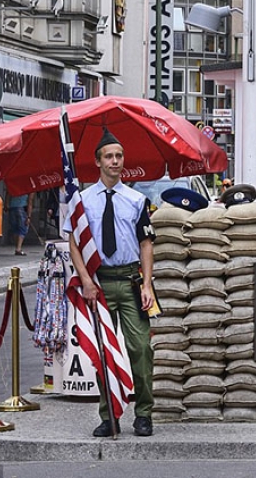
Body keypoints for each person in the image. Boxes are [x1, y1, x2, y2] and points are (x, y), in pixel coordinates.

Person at [64, 128, 157, 438]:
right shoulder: (82, 201)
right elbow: (75, 243)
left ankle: (143, 413)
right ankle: (110, 416)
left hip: (131, 282)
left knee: (140, 349)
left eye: (119, 156)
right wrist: (86, 281)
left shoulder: (137, 199)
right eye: (109, 156)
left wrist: (147, 284)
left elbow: (146, 243)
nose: (115, 161)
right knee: (104, 353)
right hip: (99, 283)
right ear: (98, 162)